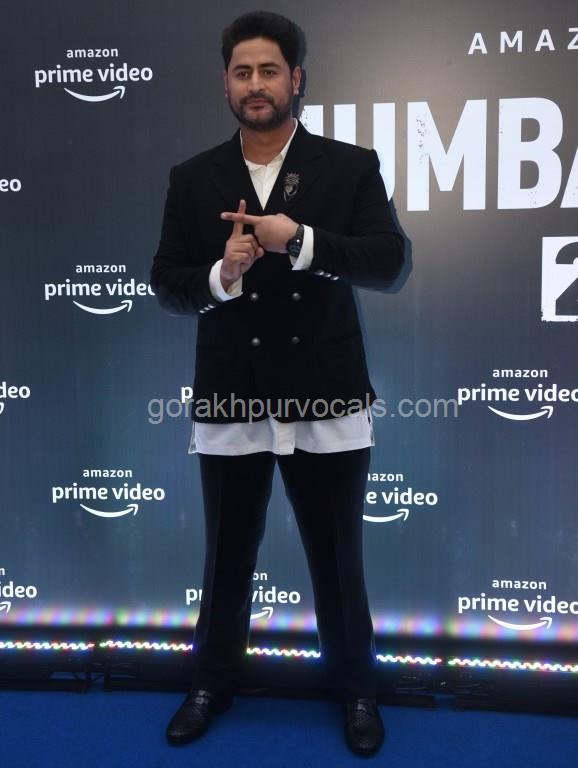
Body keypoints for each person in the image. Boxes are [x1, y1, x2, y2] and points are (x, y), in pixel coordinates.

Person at [150, 10, 405, 757]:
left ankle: (357, 690)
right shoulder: (193, 177)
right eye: (242, 72)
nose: (255, 84)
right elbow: (166, 282)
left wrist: (300, 241)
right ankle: (210, 684)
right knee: (227, 558)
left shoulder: (349, 166)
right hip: (232, 393)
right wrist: (220, 274)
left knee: (338, 559)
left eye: (269, 70)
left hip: (326, 391)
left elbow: (388, 261)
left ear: (297, 79)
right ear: (225, 84)